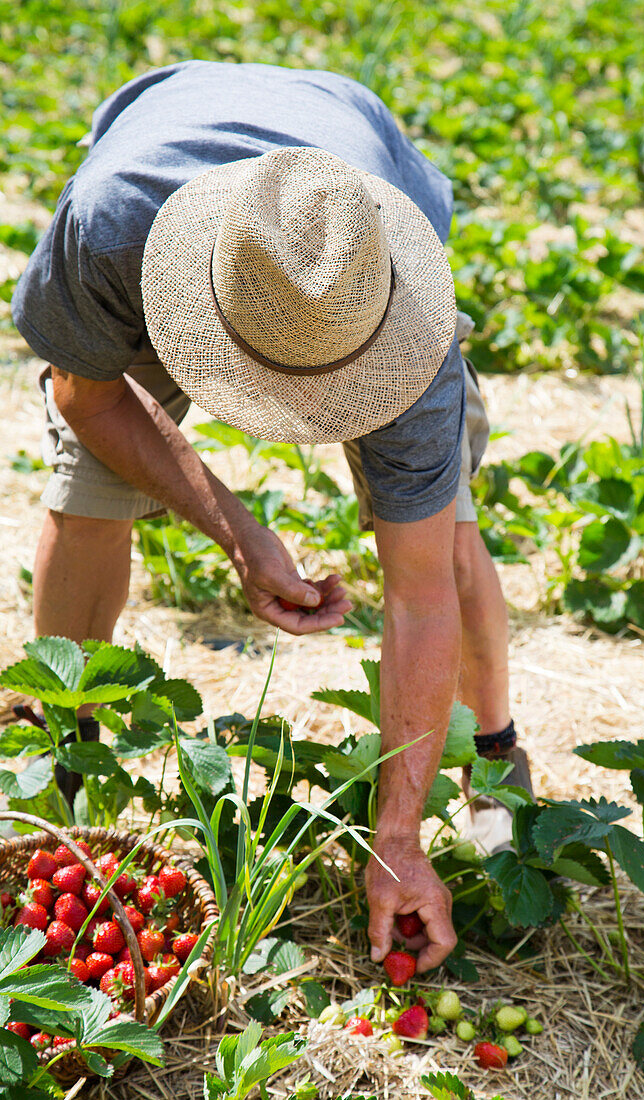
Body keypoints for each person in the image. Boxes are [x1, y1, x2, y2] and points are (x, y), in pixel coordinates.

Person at [11, 61, 533, 974]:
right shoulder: (107, 232)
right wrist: (240, 534)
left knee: (444, 536)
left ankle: (491, 756)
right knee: (90, 482)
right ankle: (63, 743)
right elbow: (90, 400)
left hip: (348, 160)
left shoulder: (398, 323)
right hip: (166, 202)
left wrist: (397, 839)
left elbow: (415, 595)